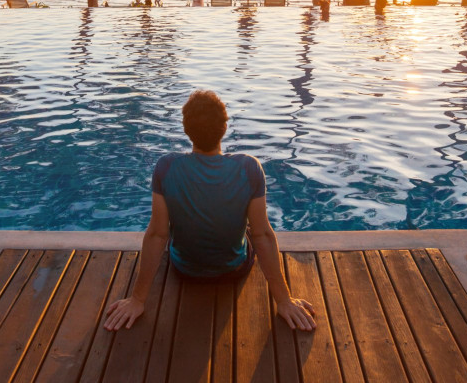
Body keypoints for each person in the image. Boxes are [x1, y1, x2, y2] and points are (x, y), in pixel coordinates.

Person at [102, 91, 316, 332]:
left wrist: (137, 299)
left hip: (185, 270)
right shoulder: (249, 167)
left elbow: (157, 235)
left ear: (186, 130)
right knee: (251, 226)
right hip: (233, 269)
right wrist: (284, 301)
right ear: (225, 127)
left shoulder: (166, 166)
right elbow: (262, 235)